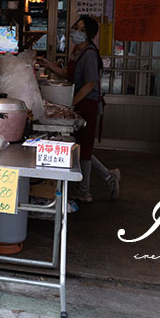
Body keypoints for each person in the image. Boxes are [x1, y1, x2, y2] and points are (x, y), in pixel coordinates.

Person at [38, 16, 120, 202]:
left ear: (89, 34)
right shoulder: (76, 50)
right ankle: (107, 176)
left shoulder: (90, 53)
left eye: (82, 29)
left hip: (88, 103)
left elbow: (90, 84)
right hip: (79, 101)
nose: (76, 31)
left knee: (84, 148)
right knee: (81, 147)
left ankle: (86, 190)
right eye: (76, 27)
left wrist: (71, 103)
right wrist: (49, 65)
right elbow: (69, 75)